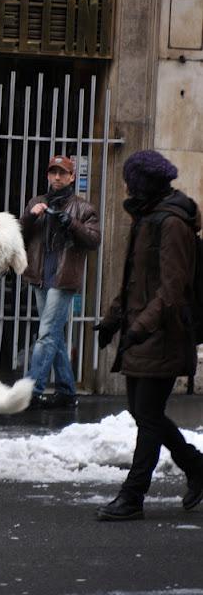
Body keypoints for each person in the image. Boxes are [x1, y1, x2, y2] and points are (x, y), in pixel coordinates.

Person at [95, 150, 203, 521]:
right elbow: (134, 283)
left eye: (129, 178)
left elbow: (172, 290)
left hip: (165, 333)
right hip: (143, 331)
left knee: (148, 415)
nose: (126, 184)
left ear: (142, 182)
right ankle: (196, 466)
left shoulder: (171, 223)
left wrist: (140, 328)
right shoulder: (146, 218)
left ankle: (133, 496)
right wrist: (112, 320)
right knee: (145, 414)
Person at [21, 155, 101, 409]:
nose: (57, 177)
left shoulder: (83, 208)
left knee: (46, 334)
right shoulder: (37, 202)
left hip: (63, 278)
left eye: (62, 173)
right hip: (40, 276)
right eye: (53, 172)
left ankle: (31, 391)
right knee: (52, 333)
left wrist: (72, 224)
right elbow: (19, 236)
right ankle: (67, 389)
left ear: (71, 177)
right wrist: (30, 217)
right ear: (47, 175)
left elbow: (93, 240)